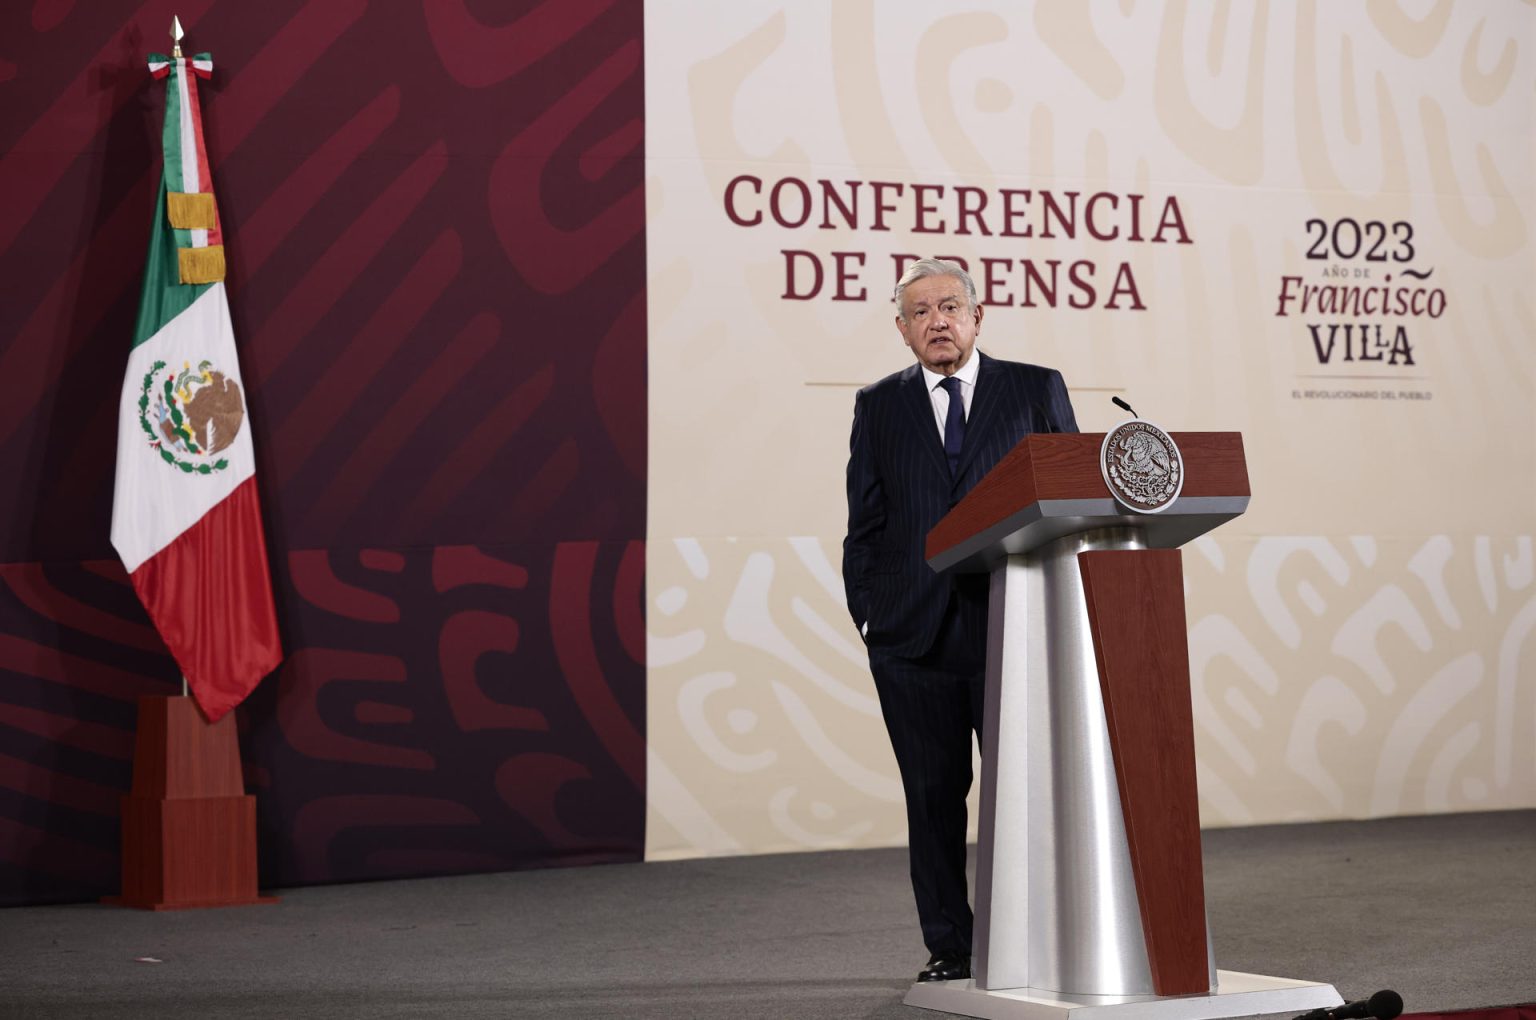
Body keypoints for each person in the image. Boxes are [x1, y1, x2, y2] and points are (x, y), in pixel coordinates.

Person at [842, 258, 1078, 983]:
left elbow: (1071, 500)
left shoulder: (1034, 388)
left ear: (980, 317)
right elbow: (867, 522)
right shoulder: (879, 405)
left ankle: (1042, 937)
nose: (937, 321)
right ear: (902, 329)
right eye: (921, 312)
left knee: (1031, 797)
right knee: (934, 799)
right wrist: (872, 617)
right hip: (912, 640)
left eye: (950, 306)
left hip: (1015, 626)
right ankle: (951, 944)